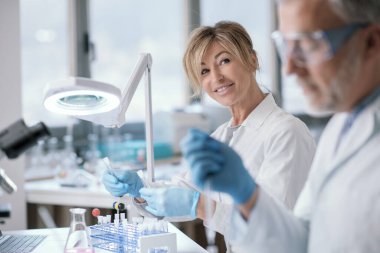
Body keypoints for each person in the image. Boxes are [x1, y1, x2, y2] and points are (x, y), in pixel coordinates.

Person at [181, 0, 380, 252]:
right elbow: (301, 239)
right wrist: (249, 198)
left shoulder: (289, 131)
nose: (289, 68)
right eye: (286, 46)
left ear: (371, 42)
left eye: (309, 45)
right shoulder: (340, 129)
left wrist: (216, 204)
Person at [102, 21, 316, 247]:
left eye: (224, 61)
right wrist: (140, 190)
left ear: (252, 59)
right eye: (204, 71)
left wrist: (201, 206)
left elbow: (275, 229)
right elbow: (184, 191)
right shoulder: (222, 136)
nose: (216, 77)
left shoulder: (286, 132)